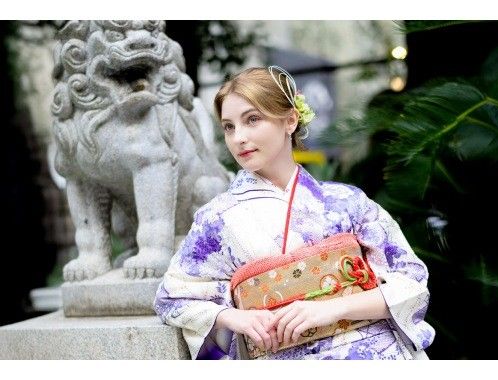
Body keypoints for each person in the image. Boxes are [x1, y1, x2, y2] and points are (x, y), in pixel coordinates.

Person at [153, 66, 435, 360]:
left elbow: (411, 281)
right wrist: (232, 317)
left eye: (252, 120)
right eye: (229, 127)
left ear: (290, 120)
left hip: (370, 352)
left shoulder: (348, 202)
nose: (239, 138)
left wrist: (330, 308)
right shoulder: (216, 218)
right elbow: (172, 297)